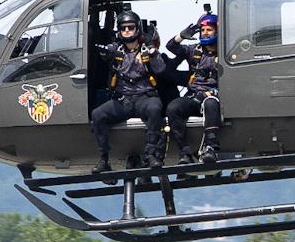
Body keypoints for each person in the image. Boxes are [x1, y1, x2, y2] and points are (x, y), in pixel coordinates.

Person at [90, 10, 167, 174]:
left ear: (137, 29)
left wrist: (153, 53)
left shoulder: (146, 50)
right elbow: (106, 51)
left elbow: (160, 69)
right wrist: (102, 50)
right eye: (123, 28)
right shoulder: (116, 50)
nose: (126, 31)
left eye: (130, 27)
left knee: (155, 108)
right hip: (123, 100)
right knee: (97, 115)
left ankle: (150, 154)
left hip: (144, 97)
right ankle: (104, 159)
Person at [164, 12, 222, 166]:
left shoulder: (225, 52)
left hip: (213, 98)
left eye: (209, 30)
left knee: (211, 103)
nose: (205, 33)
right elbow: (171, 46)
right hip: (194, 96)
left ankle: (210, 148)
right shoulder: (193, 50)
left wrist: (212, 93)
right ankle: (185, 152)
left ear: (217, 31)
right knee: (173, 108)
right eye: (203, 30)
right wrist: (182, 36)